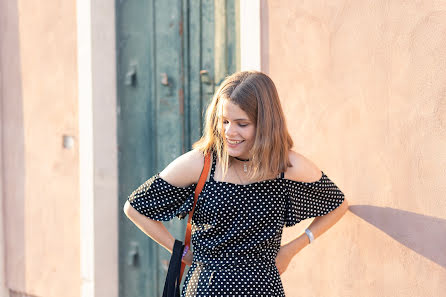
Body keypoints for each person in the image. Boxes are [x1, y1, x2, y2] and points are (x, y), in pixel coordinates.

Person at [123, 70, 349, 296]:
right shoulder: (201, 164)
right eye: (224, 121)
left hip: (263, 289)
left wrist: (291, 249)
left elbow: (337, 205)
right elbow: (134, 208)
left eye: (242, 124)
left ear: (265, 124)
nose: (229, 132)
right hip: (205, 289)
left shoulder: (286, 166)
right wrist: (181, 252)